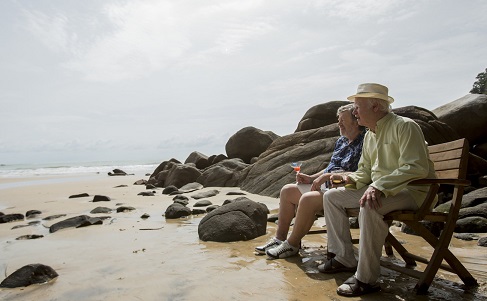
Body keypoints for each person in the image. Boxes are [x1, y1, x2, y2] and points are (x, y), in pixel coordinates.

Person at [320, 83, 436, 297]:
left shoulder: (405, 126)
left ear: (375, 107)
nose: (354, 112)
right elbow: (364, 173)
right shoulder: (370, 136)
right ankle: (344, 257)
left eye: (357, 107)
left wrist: (378, 186)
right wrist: (345, 178)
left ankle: (366, 279)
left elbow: (416, 166)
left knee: (370, 205)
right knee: (331, 197)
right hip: (382, 191)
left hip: (414, 192)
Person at [255, 103, 366, 259]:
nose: (338, 124)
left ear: (356, 121)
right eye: (338, 120)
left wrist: (329, 178)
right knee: (287, 190)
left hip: (343, 190)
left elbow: (363, 173)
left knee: (307, 199)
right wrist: (311, 178)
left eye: (342, 120)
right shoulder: (341, 141)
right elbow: (330, 168)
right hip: (324, 186)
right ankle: (279, 239)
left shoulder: (366, 141)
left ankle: (291, 245)